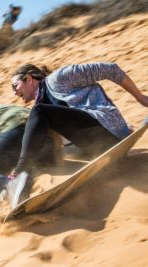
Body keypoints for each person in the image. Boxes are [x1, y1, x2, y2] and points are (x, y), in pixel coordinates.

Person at [9, 62, 148, 206]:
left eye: (15, 86)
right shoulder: (42, 107)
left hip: (106, 133)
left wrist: (140, 97)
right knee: (40, 150)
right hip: (93, 148)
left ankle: (18, 173)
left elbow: (111, 69)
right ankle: (22, 192)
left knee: (39, 112)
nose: (14, 92)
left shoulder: (59, 78)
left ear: (29, 79)